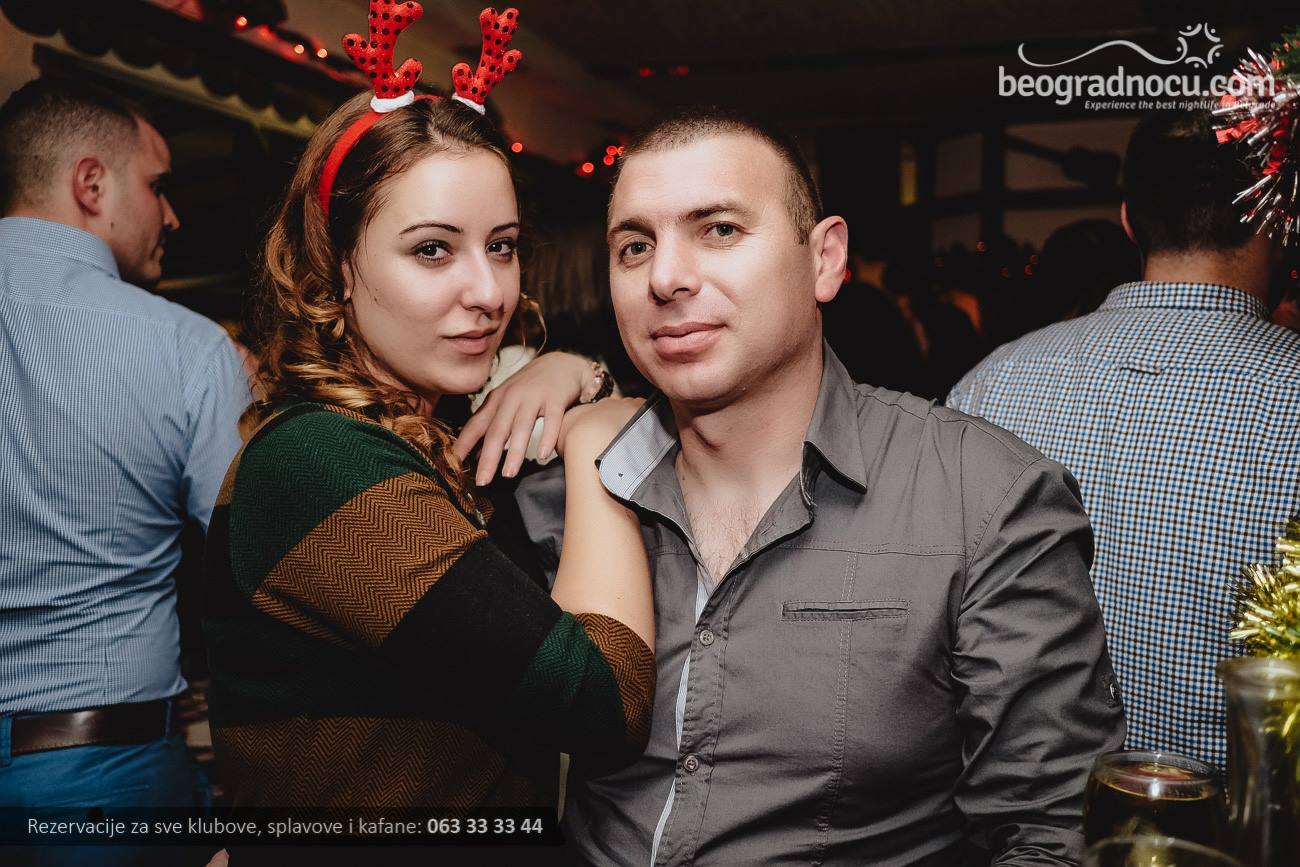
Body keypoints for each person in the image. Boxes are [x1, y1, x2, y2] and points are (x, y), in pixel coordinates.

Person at [525, 107, 1125, 865]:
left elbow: (1053, 832)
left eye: (719, 230)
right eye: (635, 246)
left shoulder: (983, 497)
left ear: (825, 259)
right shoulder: (564, 488)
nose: (665, 277)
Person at [201, 11, 655, 822]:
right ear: (337, 266)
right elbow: (604, 702)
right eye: (432, 249)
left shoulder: (429, 434)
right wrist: (595, 445)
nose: (488, 292)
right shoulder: (319, 460)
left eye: (502, 246)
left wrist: (576, 370)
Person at [948, 108, 1300, 771]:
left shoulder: (989, 386)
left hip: (1017, 814)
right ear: (1278, 220)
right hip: (1236, 819)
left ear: (1129, 220)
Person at [0, 77, 251, 857]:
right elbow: (258, 561)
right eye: (157, 186)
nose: (171, 216)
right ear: (91, 183)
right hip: (101, 774)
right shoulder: (184, 346)